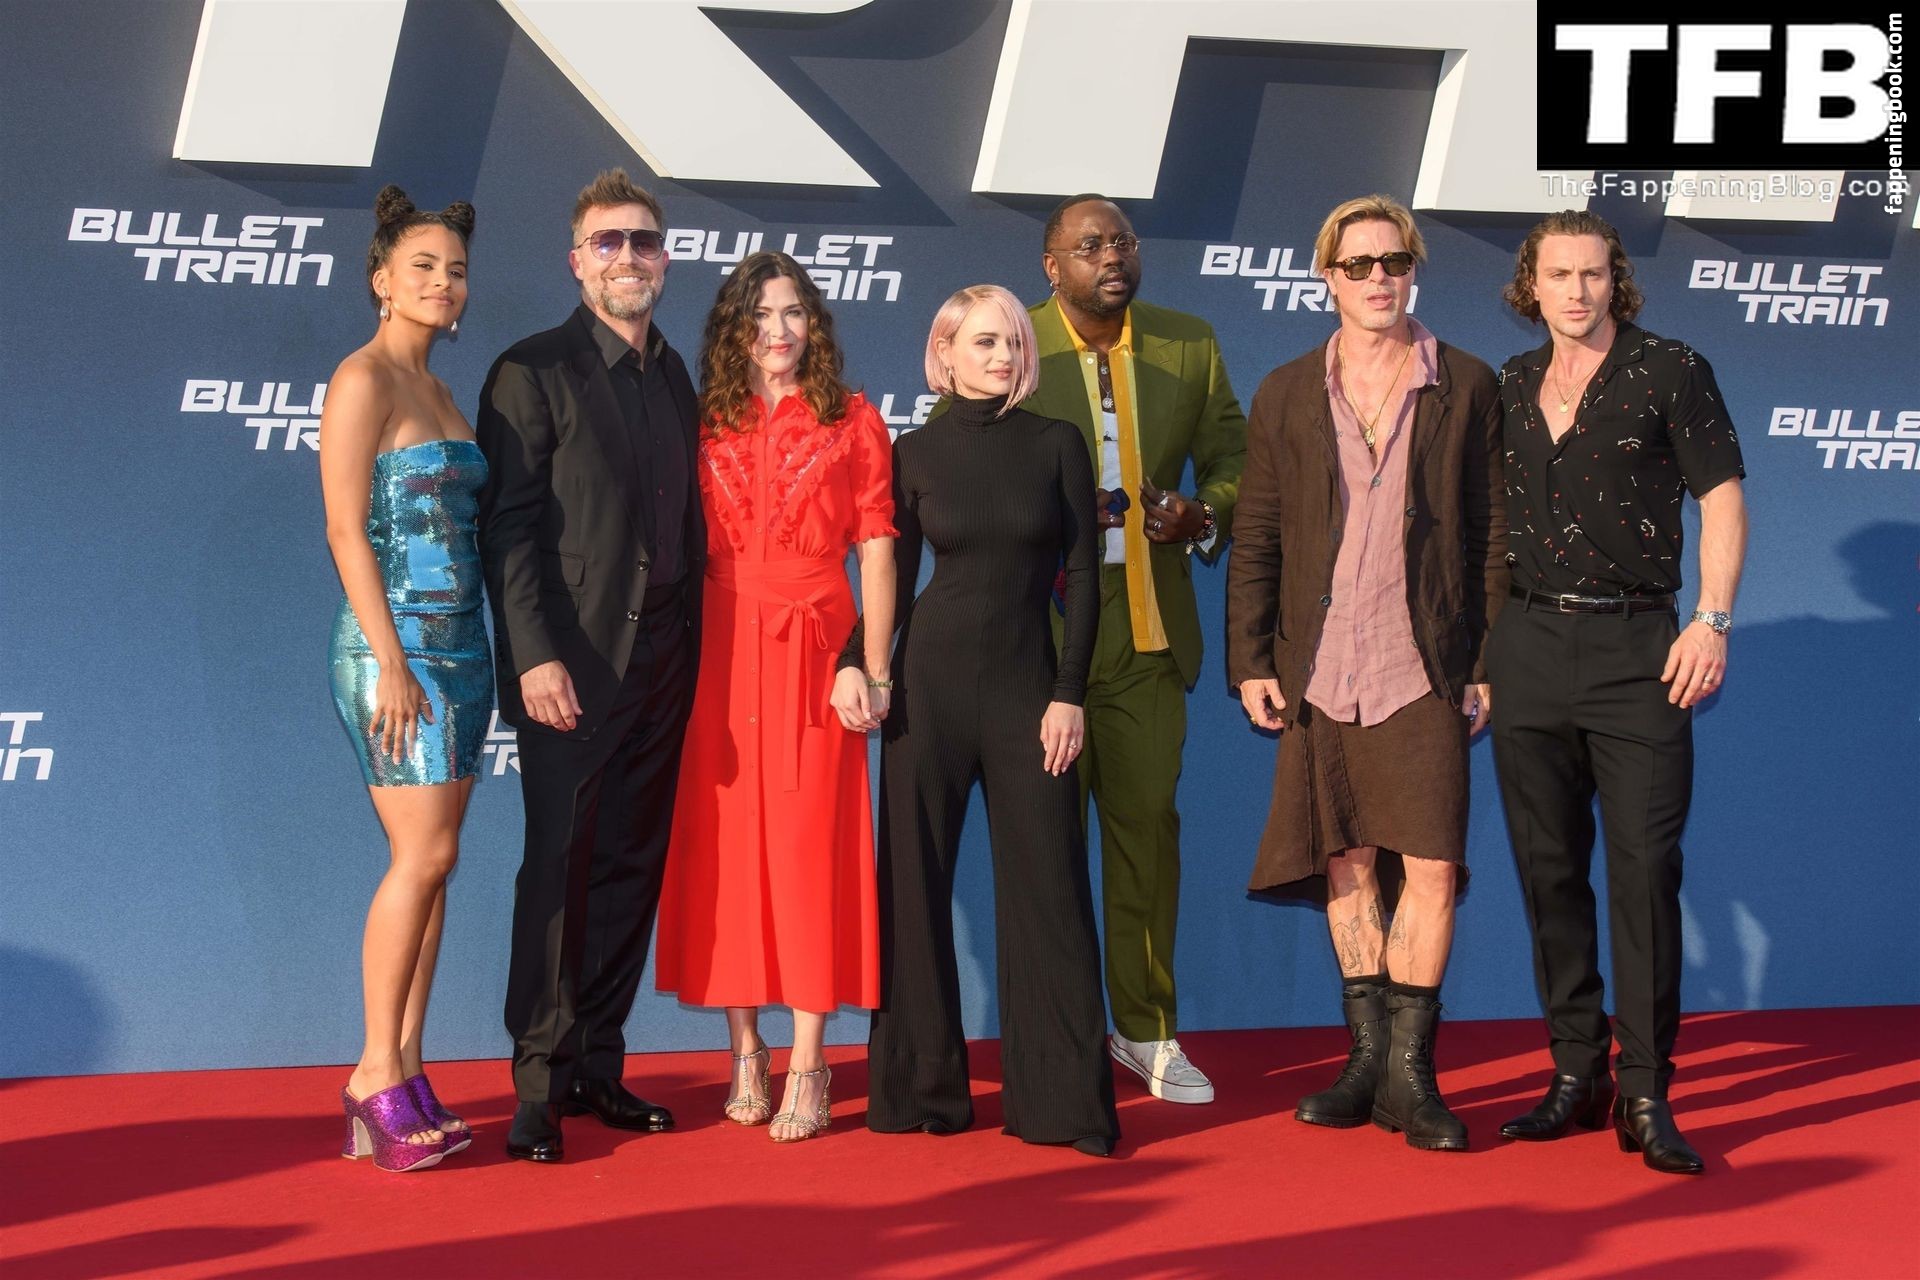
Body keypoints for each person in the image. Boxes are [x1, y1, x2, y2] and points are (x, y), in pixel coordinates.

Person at [1225, 194, 1506, 1152]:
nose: (1378, 279)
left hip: (1423, 661)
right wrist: (1250, 659)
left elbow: (1493, 536)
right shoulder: (1285, 392)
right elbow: (1258, 535)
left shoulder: (1466, 383)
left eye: (1394, 261)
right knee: (1344, 857)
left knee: (1430, 863)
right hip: (1319, 662)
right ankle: (1368, 1064)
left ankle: (1412, 1077)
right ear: (1327, 277)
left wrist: (1483, 661)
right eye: (1358, 265)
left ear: (1414, 270)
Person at [1490, 211, 1747, 1175]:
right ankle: (1576, 1073)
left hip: (1641, 648)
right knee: (1548, 871)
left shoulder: (1671, 369)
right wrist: (1481, 657)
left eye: (1592, 274)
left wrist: (1711, 620)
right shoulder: (1511, 384)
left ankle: (1644, 1091)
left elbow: (1723, 497)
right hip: (1527, 644)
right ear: (1532, 283)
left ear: (1616, 280)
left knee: (1643, 876)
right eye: (1559, 275)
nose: (1577, 291)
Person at [843, 285, 1119, 1157]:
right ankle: (920, 1092)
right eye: (983, 342)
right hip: (928, 691)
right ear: (945, 353)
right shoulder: (914, 452)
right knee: (912, 887)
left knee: (1051, 891)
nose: (1002, 356)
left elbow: (1085, 575)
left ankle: (1062, 1106)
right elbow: (892, 576)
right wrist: (855, 657)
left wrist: (1069, 691)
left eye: (1011, 342)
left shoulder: (1057, 443)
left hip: (1030, 692)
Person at [476, 169, 705, 1164]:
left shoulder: (676, 375)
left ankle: (599, 1066)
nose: (627, 257)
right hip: (571, 668)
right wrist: (533, 659)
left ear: (665, 259)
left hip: (666, 662)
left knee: (629, 867)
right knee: (559, 874)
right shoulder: (531, 370)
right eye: (607, 242)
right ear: (577, 261)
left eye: (643, 240)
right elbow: (508, 532)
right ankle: (537, 1084)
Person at [653, 252, 895, 1143]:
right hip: (718, 650)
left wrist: (872, 664)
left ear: (815, 324)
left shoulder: (853, 419)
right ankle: (746, 1051)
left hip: (815, 649)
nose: (779, 331)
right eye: (760, 315)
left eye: (793, 312)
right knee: (728, 853)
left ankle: (809, 1060)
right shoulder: (703, 420)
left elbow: (877, 548)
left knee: (806, 851)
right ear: (734, 329)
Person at [1022, 194, 1245, 1104]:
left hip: (1148, 630)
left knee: (1146, 837)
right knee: (1044, 848)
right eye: (1089, 245)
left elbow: (1236, 461)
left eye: (1122, 240)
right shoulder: (1011, 344)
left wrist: (1203, 516)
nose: (1111, 256)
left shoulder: (1188, 343)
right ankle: (1055, 1038)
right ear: (1053, 267)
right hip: (1038, 640)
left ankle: (1147, 1033)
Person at [321, 185, 487, 1173]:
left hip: (466, 650)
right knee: (419, 857)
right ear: (381, 279)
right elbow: (346, 529)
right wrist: (390, 660)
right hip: (396, 652)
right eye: (422, 265)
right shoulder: (364, 378)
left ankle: (409, 1065)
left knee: (439, 860)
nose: (441, 281)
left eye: (455, 269)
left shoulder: (444, 392)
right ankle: (372, 1072)